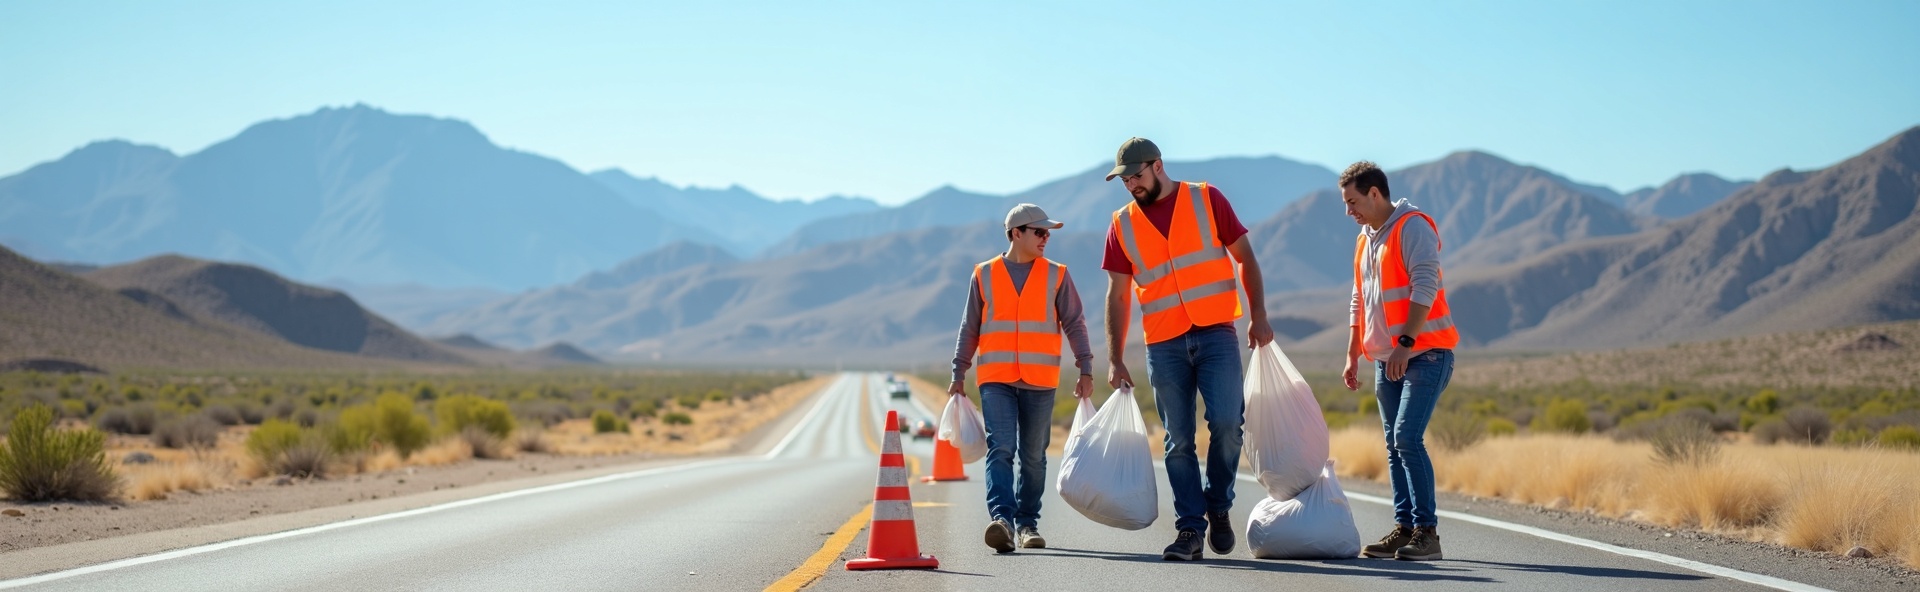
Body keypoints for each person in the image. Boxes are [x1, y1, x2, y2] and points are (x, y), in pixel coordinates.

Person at [1101, 137, 1273, 561]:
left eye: (1136, 176)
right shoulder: (1120, 224)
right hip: (1163, 342)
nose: (1130, 185)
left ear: (1157, 166)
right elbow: (1118, 296)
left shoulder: (1206, 198)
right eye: (1124, 180)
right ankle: (1190, 530)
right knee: (1177, 441)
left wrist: (1259, 315)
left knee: (1229, 425)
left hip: (1216, 333)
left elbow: (1245, 258)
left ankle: (1218, 503)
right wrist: (1115, 357)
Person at [950, 203, 1096, 554]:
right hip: (996, 377)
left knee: (1033, 456)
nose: (1046, 238)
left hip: (1040, 379)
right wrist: (959, 371)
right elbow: (970, 326)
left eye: (1048, 233)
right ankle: (1002, 520)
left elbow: (1074, 322)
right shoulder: (983, 274)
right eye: (1039, 232)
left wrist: (1085, 366)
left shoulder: (1057, 274)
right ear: (1017, 233)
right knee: (1001, 448)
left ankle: (1028, 523)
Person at [1338, 161, 1458, 562]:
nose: (1348, 211)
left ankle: (1427, 533)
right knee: (1393, 445)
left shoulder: (1413, 227)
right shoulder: (1364, 238)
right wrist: (1353, 351)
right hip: (1385, 358)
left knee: (1407, 437)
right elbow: (1359, 297)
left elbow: (1426, 282)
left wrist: (1406, 343)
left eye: (1353, 201)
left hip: (1426, 353)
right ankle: (1404, 528)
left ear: (1375, 193)